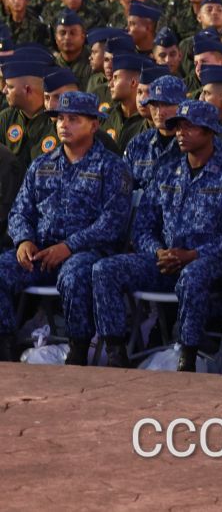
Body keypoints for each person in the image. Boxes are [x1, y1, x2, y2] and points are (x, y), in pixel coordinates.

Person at [92, 100, 222, 372]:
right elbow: (143, 227)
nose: (180, 133)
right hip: (164, 261)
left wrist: (193, 255)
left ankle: (187, 357)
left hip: (209, 263)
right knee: (104, 269)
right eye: (178, 127)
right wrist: (159, 252)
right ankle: (116, 351)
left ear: (209, 131)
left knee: (193, 275)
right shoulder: (166, 172)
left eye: (189, 127)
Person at [0, 91, 132, 363]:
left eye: (73, 119)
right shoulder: (42, 165)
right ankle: (6, 345)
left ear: (94, 125)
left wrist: (69, 246)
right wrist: (24, 240)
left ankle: (78, 349)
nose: (63, 125)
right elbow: (20, 211)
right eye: (60, 118)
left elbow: (113, 222)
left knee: (74, 276)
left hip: (87, 253)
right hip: (41, 253)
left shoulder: (112, 167)